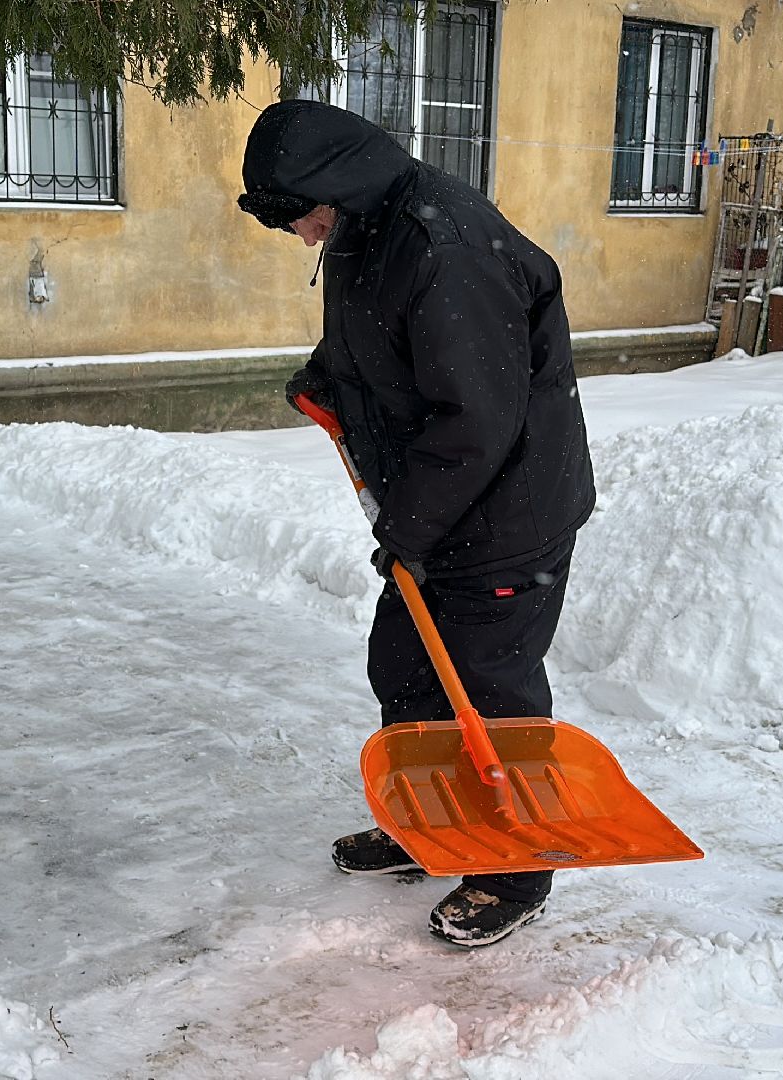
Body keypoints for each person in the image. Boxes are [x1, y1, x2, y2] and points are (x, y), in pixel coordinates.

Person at [236, 100, 596, 947]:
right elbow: (374, 342)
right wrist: (325, 378)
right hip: (437, 505)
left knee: (489, 690)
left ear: (330, 183)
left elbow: (477, 420)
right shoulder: (365, 225)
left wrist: (406, 529)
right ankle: (428, 826)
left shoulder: (445, 247)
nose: (299, 234)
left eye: (296, 214)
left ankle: (515, 867)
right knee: (405, 667)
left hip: (506, 510)